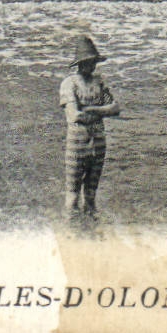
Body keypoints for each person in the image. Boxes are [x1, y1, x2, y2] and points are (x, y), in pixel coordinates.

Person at [60, 35, 119, 216]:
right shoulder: (69, 83)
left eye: (93, 62)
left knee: (91, 196)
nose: (91, 66)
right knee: (72, 196)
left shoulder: (99, 81)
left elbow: (116, 107)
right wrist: (101, 110)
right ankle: (71, 234)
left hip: (98, 141)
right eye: (87, 62)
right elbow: (73, 115)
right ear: (79, 63)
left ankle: (92, 232)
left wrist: (91, 108)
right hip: (77, 143)